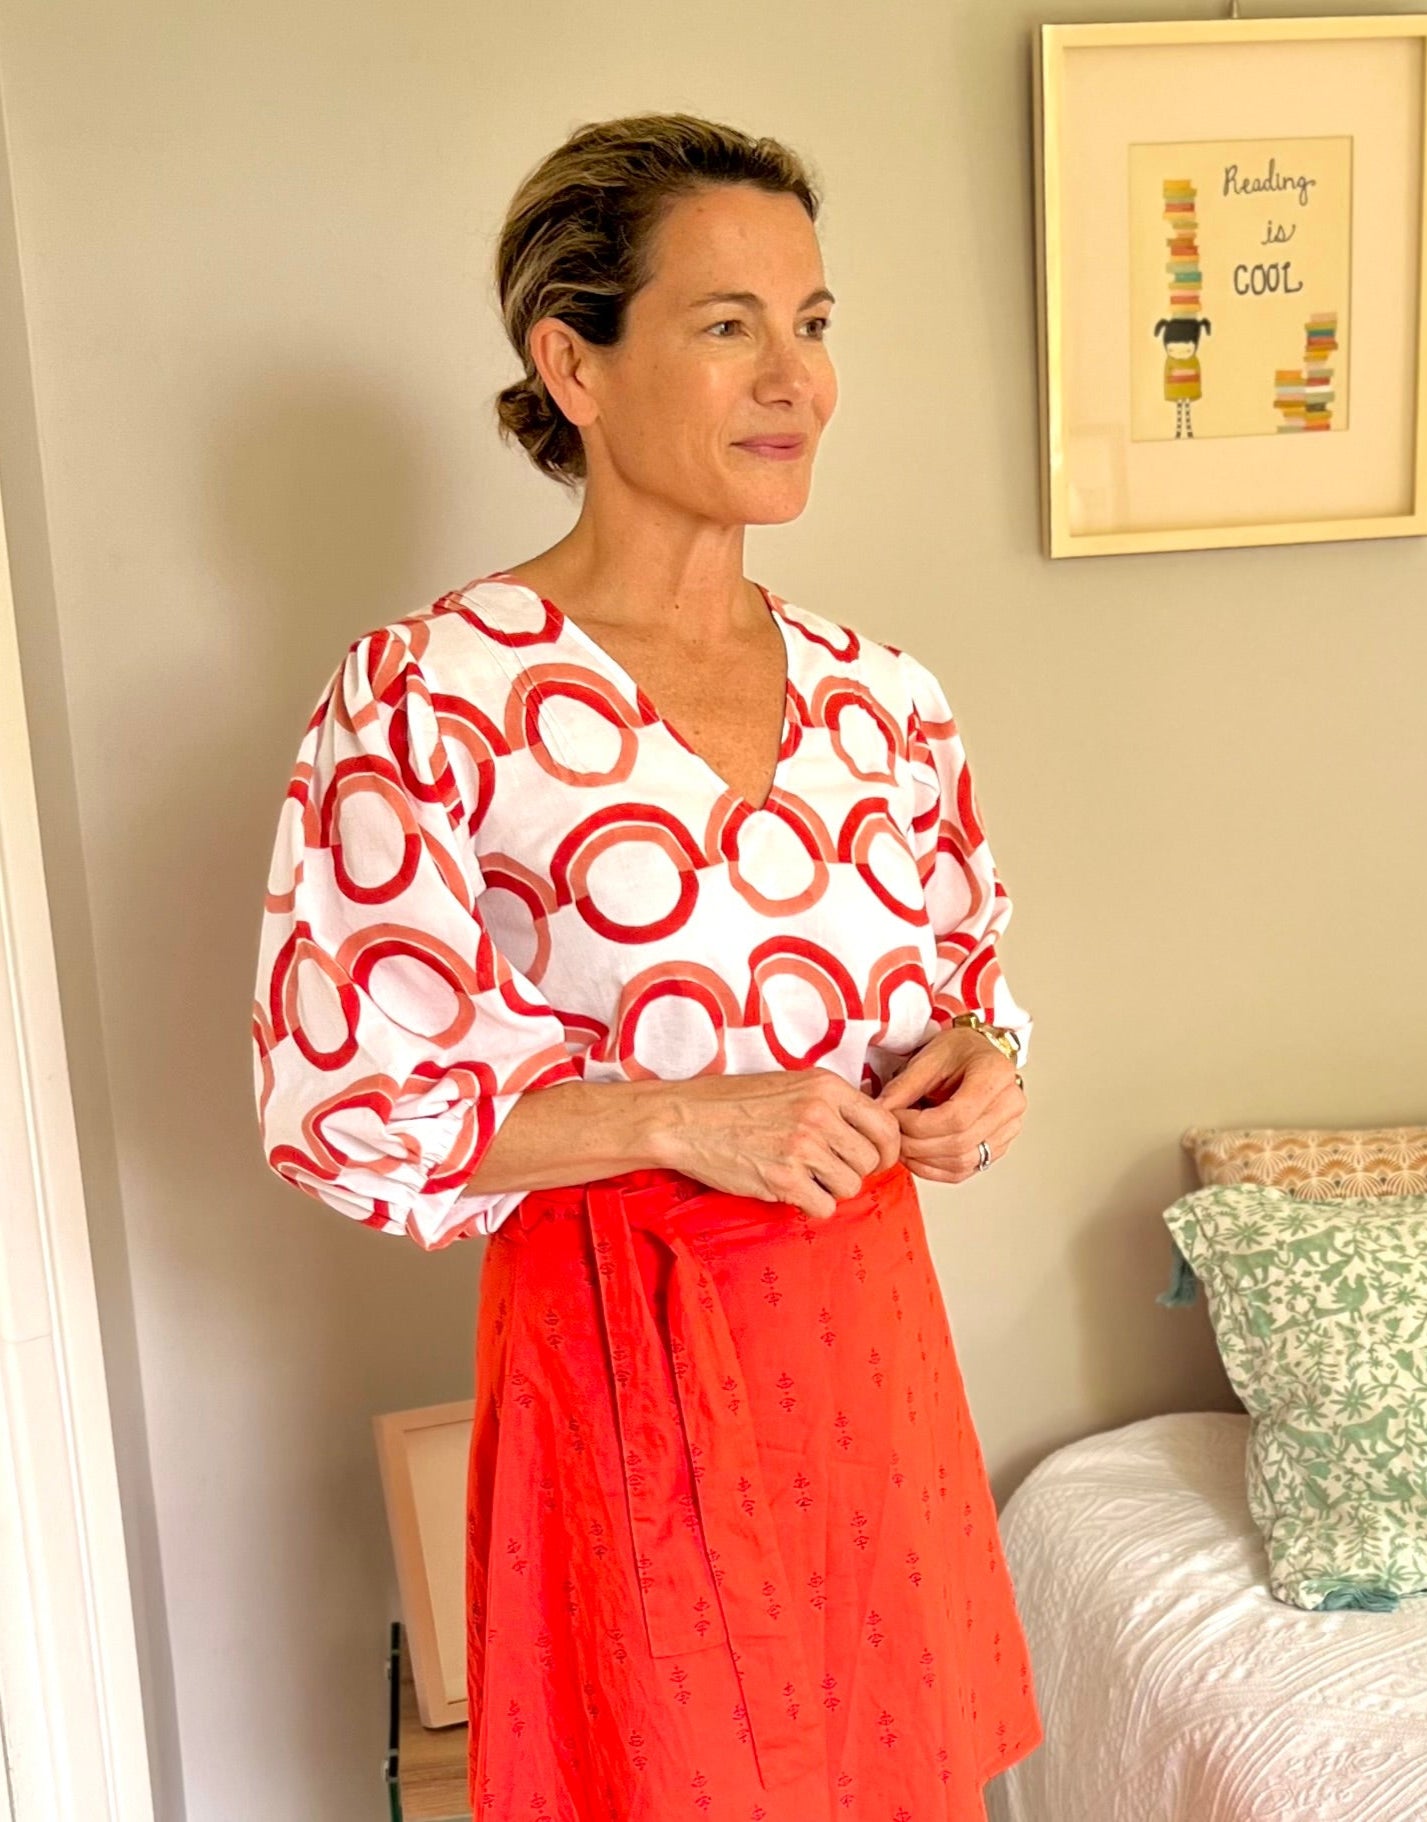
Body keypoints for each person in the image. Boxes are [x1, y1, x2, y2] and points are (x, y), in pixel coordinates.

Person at [251, 110, 1043, 1821]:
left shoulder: (884, 698)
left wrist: (979, 1064)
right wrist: (680, 1116)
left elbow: (964, 981)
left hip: (869, 1359)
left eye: (811, 322)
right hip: (623, 1361)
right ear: (574, 363)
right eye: (726, 323)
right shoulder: (433, 694)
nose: (794, 379)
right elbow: (346, 1105)